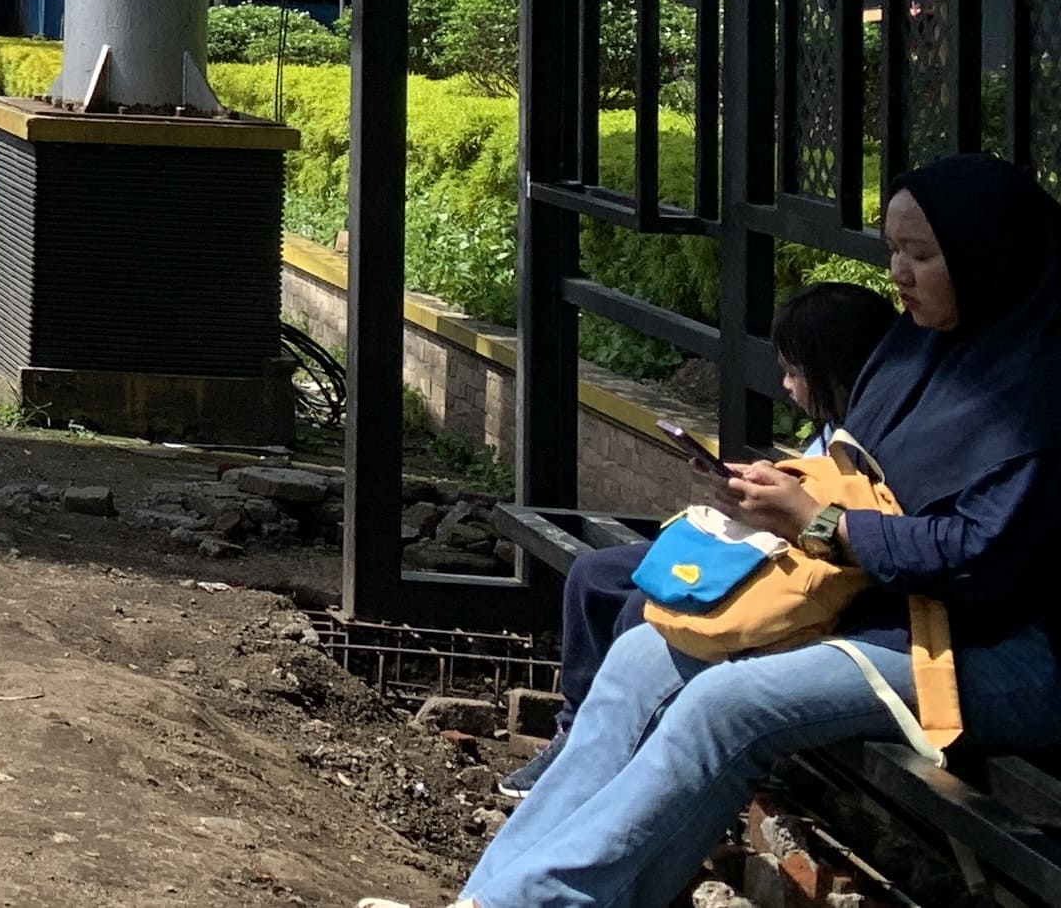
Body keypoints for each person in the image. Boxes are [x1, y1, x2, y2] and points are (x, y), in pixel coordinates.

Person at [440, 154, 1061, 908]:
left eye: (924, 256)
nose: (899, 272)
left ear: (991, 254)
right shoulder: (919, 344)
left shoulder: (1040, 384)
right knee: (643, 652)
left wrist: (820, 524)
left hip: (1002, 647)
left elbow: (983, 557)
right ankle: (488, 895)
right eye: (894, 250)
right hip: (876, 607)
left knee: (728, 707)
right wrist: (779, 494)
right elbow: (856, 468)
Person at [505, 282, 907, 799]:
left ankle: (623, 761)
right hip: (763, 547)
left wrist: (794, 514)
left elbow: (849, 528)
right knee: (594, 575)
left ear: (832, 368)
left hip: (807, 575)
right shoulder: (831, 429)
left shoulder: (886, 436)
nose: (785, 385)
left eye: (793, 371)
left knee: (642, 613)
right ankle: (576, 730)